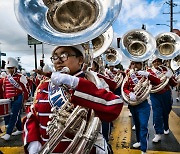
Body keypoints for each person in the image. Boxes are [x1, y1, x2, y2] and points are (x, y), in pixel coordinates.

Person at [23, 45, 124, 154]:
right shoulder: (44, 86)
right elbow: (32, 115)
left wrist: (74, 83)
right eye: (55, 57)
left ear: (80, 60)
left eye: (64, 55)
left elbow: (114, 106)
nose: (58, 61)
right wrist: (32, 142)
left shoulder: (93, 82)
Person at [123, 61, 160, 154]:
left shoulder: (147, 72)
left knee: (143, 125)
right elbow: (124, 88)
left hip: (143, 104)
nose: (135, 66)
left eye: (137, 63)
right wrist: (129, 93)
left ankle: (143, 149)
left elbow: (158, 81)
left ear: (141, 64)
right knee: (137, 125)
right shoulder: (129, 74)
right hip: (133, 104)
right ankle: (139, 141)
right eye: (133, 64)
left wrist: (148, 75)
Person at [148, 57, 177, 143]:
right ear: (152, 63)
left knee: (166, 112)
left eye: (159, 61)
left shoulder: (166, 70)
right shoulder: (149, 71)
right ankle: (158, 133)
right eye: (155, 61)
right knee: (157, 113)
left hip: (166, 93)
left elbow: (174, 84)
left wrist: (170, 76)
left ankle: (166, 126)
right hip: (155, 94)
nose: (157, 63)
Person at [1, 57, 29, 141]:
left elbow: (26, 90)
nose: (9, 70)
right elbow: (4, 90)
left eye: (11, 68)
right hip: (9, 100)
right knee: (12, 115)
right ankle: (20, 129)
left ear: (15, 68)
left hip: (18, 98)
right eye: (8, 68)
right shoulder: (6, 78)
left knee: (14, 115)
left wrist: (25, 100)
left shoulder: (20, 77)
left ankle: (8, 133)